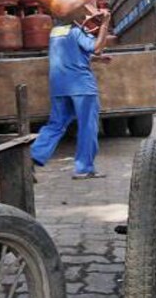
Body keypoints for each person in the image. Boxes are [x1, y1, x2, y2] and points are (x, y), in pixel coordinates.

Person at [31, 12, 112, 180]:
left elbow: (70, 55)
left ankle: (32, 157)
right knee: (87, 126)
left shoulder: (55, 33)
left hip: (59, 86)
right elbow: (97, 48)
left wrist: (95, 60)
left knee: (56, 124)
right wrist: (104, 24)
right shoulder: (77, 32)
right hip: (82, 86)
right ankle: (84, 168)